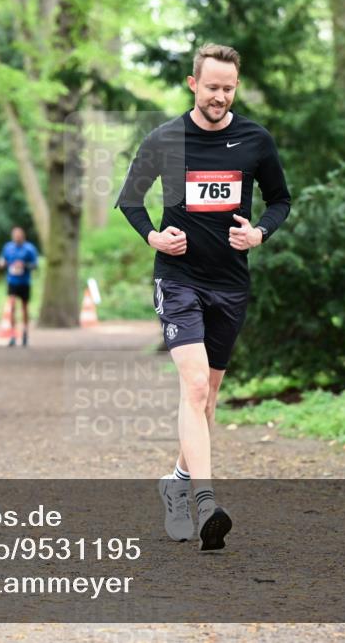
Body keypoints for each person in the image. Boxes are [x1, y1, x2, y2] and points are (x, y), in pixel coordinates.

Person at [117, 43, 291, 551]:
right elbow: (130, 198)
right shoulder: (165, 139)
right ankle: (205, 502)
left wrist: (260, 233)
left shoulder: (255, 140)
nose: (220, 96)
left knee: (208, 396)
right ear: (193, 84)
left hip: (230, 283)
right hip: (178, 278)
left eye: (228, 88)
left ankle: (175, 482)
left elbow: (280, 200)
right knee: (194, 387)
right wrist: (153, 235)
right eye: (212, 87)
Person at [0, 226, 39, 347]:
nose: (17, 237)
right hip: (12, 281)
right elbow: (1, 260)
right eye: (15, 235)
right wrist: (1, 263)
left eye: (19, 235)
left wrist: (24, 265)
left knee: (25, 307)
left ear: (23, 236)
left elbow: (35, 265)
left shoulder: (29, 249)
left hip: (25, 282)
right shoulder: (8, 247)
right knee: (12, 306)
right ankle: (13, 334)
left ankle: (25, 332)